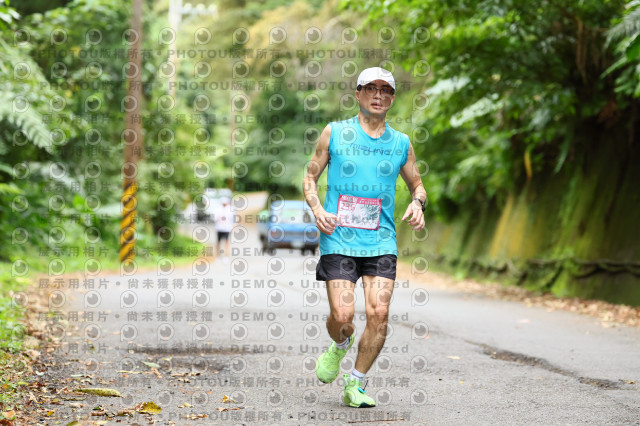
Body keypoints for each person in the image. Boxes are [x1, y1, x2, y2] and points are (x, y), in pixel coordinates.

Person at [302, 67, 426, 408]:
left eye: (386, 90)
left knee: (379, 313)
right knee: (343, 318)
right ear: (357, 94)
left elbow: (418, 185)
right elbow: (310, 177)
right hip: (338, 238)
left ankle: (355, 382)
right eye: (371, 88)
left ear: (392, 98)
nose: (378, 95)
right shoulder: (335, 133)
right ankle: (340, 344)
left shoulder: (401, 143)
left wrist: (418, 203)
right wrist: (317, 209)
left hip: (380, 241)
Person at [214, 197, 233, 263]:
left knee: (226, 242)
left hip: (227, 228)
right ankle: (218, 256)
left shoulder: (230, 209)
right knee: (218, 242)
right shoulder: (218, 209)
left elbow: (233, 219)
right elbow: (215, 217)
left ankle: (226, 256)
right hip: (219, 228)